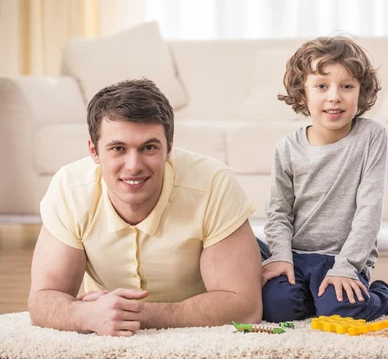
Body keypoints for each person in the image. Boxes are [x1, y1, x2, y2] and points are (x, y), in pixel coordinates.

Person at [28, 79, 262, 337]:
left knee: (284, 297)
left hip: (237, 251)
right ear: (94, 152)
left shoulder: (213, 183)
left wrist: (136, 315)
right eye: (118, 148)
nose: (133, 166)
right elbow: (42, 299)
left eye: (148, 147)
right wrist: (86, 315)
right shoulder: (69, 189)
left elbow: (245, 308)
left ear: (169, 147)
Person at [260, 36, 388, 323]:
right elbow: (278, 213)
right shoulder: (287, 147)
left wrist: (347, 267)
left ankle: (381, 293)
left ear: (361, 93)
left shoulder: (372, 136)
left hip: (343, 258)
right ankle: (313, 297)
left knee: (341, 309)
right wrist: (280, 257)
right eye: (321, 86)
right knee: (275, 308)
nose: (334, 96)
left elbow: (369, 211)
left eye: (347, 86)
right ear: (303, 94)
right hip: (297, 256)